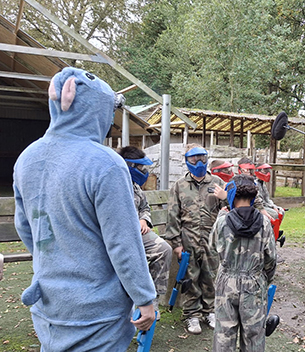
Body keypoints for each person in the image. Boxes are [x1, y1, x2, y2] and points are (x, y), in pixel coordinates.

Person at [13, 67, 156, 351]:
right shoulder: (105, 163)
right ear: (97, 109)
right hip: (97, 313)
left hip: (48, 304)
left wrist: (56, 257)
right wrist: (144, 298)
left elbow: (26, 227)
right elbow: (122, 242)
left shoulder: (26, 158)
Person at [210, 175, 277, 352]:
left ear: (231, 195)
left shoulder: (222, 220)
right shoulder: (264, 221)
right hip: (254, 283)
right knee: (254, 335)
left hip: (227, 282)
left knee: (224, 335)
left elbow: (212, 247)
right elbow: (271, 258)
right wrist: (264, 280)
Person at [165, 143, 227, 334]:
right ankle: (192, 315)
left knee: (210, 276)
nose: (198, 162)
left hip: (211, 239)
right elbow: (173, 215)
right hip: (188, 239)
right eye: (193, 158)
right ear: (187, 161)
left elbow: (230, 207)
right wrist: (176, 244)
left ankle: (209, 311)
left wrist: (225, 196)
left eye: (201, 157)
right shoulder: (179, 185)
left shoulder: (217, 182)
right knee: (190, 278)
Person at [118, 146, 172, 315]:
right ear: (128, 165)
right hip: (117, 237)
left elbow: (144, 207)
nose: (144, 171)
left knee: (164, 250)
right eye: (140, 168)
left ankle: (152, 298)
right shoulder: (112, 183)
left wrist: (144, 219)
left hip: (138, 234)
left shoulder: (134, 186)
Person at [255, 163, 287, 246]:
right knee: (274, 214)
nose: (267, 173)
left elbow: (267, 199)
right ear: (258, 171)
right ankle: (272, 237)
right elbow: (260, 201)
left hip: (265, 205)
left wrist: (274, 206)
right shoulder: (255, 183)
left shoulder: (262, 184)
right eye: (265, 171)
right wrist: (272, 208)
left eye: (267, 171)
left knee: (281, 211)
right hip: (258, 206)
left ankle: (275, 231)